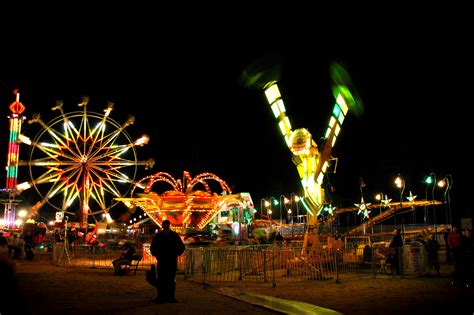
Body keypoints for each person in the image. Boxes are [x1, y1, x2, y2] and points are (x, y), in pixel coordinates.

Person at [150, 219, 185, 304]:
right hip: (169, 260)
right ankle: (169, 297)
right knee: (169, 279)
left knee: (165, 279)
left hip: (164, 260)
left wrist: (157, 254)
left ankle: (163, 296)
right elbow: (181, 246)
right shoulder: (174, 235)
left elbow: (153, 247)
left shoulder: (159, 236)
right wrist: (176, 254)